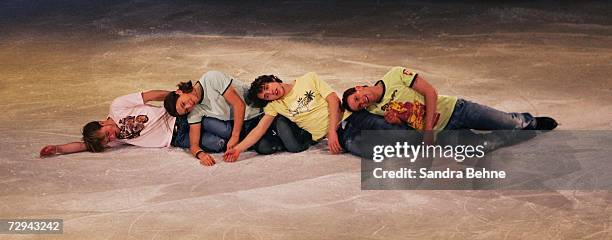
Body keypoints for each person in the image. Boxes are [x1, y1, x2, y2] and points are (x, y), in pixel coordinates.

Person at [341, 66, 558, 144]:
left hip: (457, 110)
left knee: (510, 123)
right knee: (479, 148)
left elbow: (430, 92)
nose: (362, 102)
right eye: (359, 105)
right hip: (444, 132)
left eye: (358, 98)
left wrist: (427, 132)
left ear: (360, 87)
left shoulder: (394, 75)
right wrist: (398, 120)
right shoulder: (375, 111)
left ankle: (527, 122)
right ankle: (513, 132)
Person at [163, 70, 280, 166]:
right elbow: (194, 144)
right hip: (245, 124)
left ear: (179, 92)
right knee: (265, 147)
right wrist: (201, 155)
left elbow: (239, 105)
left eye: (183, 103)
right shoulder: (195, 111)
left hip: (263, 111)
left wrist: (235, 137)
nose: (189, 106)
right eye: (186, 110)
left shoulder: (211, 78)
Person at [223, 72, 343, 161]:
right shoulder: (274, 105)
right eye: (266, 96)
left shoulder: (308, 79)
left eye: (267, 88)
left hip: (342, 123)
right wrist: (238, 149)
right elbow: (259, 130)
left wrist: (332, 131)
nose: (270, 93)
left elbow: (333, 99)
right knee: (275, 132)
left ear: (273, 79)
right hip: (309, 137)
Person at [40, 90, 190, 157]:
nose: (111, 138)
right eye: (108, 140)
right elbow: (83, 145)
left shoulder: (117, 106)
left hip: (178, 119)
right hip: (177, 139)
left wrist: (176, 97)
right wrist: (57, 148)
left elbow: (150, 95)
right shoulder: (114, 139)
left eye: (107, 134)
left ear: (102, 122)